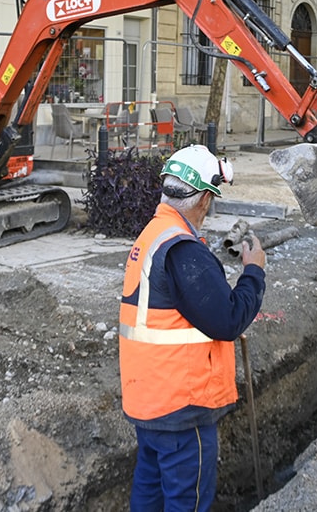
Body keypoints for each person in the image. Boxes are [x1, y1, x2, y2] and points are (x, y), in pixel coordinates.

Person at [119, 145, 267, 511]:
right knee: (186, 501)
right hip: (182, 406)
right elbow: (228, 319)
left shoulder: (154, 235)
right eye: (211, 199)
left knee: (149, 493)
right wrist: (254, 271)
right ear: (203, 198)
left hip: (151, 401)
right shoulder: (182, 250)